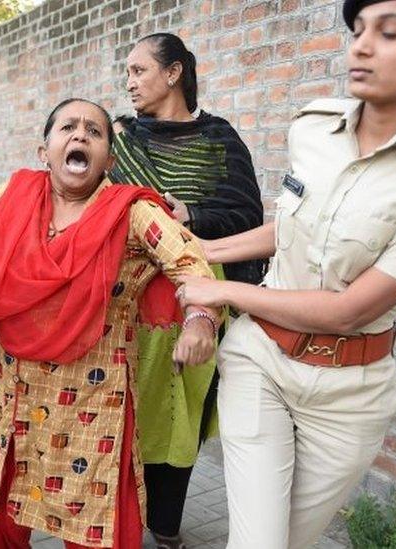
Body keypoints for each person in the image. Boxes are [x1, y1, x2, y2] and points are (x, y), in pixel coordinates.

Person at [176, 1, 396, 547]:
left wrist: (223, 288)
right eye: (358, 29)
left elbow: (354, 310)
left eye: (389, 32)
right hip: (261, 363)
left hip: (350, 394)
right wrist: (203, 246)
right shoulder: (313, 129)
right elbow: (292, 229)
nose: (362, 46)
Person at [0, 98, 220, 548]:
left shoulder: (132, 212)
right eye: (68, 127)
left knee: (96, 524)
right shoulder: (10, 198)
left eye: (94, 131)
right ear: (45, 151)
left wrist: (200, 319)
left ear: (109, 158)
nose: (80, 135)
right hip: (12, 396)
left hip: (93, 408)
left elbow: (189, 261)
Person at [108, 32, 264, 549]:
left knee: (182, 414)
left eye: (138, 71)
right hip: (127, 302)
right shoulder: (121, 139)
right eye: (127, 73)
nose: (128, 82)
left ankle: (166, 525)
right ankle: (117, 519)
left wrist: (192, 215)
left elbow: (248, 215)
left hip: (199, 299)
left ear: (173, 73)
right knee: (123, 410)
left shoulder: (220, 140)